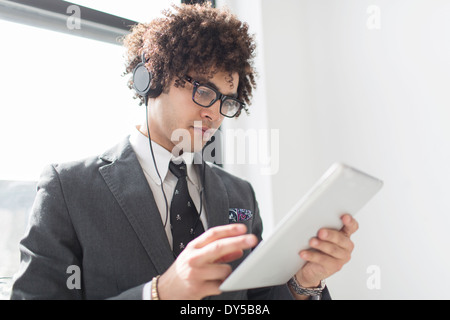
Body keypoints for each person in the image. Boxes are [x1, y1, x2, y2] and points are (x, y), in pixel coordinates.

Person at [10, 3, 358, 300]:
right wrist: (159, 293)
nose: (215, 114)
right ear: (153, 77)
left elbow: (254, 302)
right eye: (205, 91)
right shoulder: (68, 188)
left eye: (227, 102)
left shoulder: (239, 194)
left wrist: (303, 283)